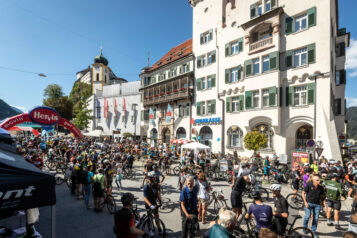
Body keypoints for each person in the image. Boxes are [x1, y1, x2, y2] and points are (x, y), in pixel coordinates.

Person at [143, 172, 163, 236]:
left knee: (157, 216)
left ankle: (159, 229)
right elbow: (145, 198)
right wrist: (150, 205)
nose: (155, 178)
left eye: (155, 177)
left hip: (154, 203)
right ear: (150, 178)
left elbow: (158, 193)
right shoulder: (146, 187)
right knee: (149, 218)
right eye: (153, 177)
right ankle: (150, 230)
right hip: (148, 204)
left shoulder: (156, 185)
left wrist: (160, 201)